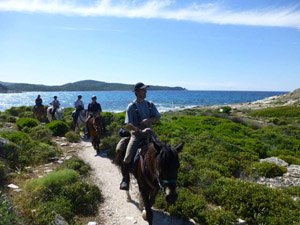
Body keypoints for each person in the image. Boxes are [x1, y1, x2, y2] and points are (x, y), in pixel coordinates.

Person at [120, 82, 160, 191]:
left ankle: (161, 179)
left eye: (145, 89)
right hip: (136, 135)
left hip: (149, 132)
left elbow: (157, 117)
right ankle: (125, 180)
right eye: (143, 90)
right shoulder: (131, 106)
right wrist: (139, 130)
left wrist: (149, 120)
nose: (145, 91)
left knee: (162, 151)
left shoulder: (150, 104)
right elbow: (128, 124)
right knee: (127, 158)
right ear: (137, 92)